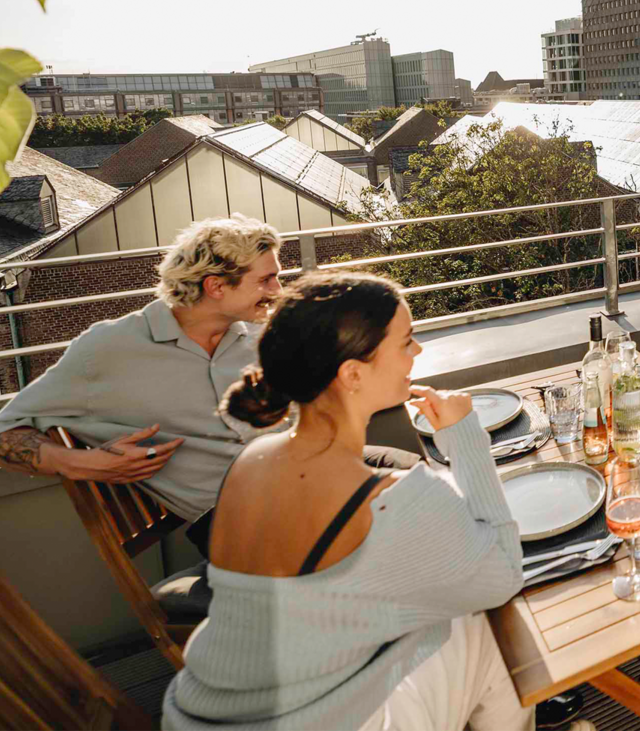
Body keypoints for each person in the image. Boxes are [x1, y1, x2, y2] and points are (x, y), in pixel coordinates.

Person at [165, 272, 541, 730]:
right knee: (486, 626)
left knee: (450, 615)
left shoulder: (252, 460)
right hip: (317, 719)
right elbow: (504, 573)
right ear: (353, 373)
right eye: (406, 342)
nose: (417, 353)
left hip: (206, 714)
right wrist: (465, 437)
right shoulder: (389, 498)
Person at [0, 215, 421, 559]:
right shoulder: (108, 349)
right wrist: (85, 464)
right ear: (215, 286)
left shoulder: (258, 337)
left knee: (424, 477)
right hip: (243, 522)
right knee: (419, 530)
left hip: (307, 479)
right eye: (265, 279)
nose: (277, 289)